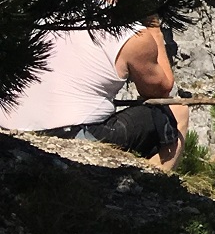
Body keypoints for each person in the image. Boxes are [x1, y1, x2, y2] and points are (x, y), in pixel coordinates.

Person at [0, 14, 189, 170]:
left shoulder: (51, 10)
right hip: (73, 133)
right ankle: (152, 187)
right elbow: (161, 89)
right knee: (176, 111)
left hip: (10, 127)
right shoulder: (132, 36)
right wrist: (154, 30)